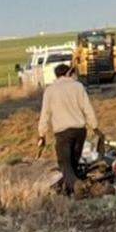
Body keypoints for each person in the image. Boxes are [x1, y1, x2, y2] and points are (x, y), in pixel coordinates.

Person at [36, 64, 99, 196]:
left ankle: (77, 185)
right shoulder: (78, 86)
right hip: (80, 131)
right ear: (68, 73)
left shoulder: (50, 91)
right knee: (73, 164)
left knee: (65, 164)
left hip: (63, 133)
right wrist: (94, 127)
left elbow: (45, 114)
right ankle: (74, 193)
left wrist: (42, 135)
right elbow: (87, 108)